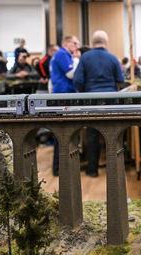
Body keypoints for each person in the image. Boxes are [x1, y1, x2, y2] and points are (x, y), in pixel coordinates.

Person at [74, 30, 124, 177]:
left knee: (92, 134)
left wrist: (85, 92)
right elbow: (120, 79)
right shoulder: (113, 58)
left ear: (93, 42)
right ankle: (114, 170)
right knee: (113, 134)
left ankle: (93, 170)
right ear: (106, 42)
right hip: (111, 100)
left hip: (91, 100)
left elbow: (77, 80)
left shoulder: (85, 58)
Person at [50, 35, 81, 176]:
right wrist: (76, 59)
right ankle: (59, 167)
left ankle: (60, 166)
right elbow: (71, 74)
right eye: (75, 43)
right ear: (66, 43)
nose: (77, 47)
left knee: (63, 132)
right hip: (64, 95)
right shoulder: (62, 54)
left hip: (61, 94)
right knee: (62, 132)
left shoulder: (60, 54)